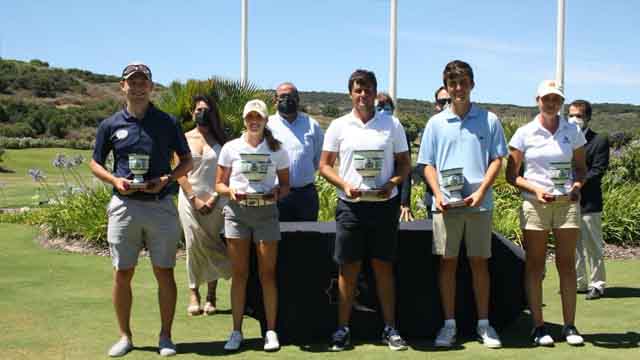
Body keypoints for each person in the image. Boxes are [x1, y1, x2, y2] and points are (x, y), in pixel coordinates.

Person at [90, 62, 193, 357]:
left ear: (151, 86)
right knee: (122, 272)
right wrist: (114, 180)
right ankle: (125, 336)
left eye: (142, 82)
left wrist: (168, 179)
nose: (137, 87)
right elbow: (95, 162)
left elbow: (187, 160)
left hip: (160, 206)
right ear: (123, 86)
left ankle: (166, 336)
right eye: (131, 82)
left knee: (164, 271)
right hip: (124, 206)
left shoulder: (167, 122)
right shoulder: (110, 124)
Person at [417, 60, 507, 349]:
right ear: (446, 87)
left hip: (479, 205)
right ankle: (449, 325)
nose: (458, 88)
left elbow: (497, 159)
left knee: (479, 263)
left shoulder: (489, 119)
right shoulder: (435, 123)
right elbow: (427, 164)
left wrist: (482, 190)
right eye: (453, 83)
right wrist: (438, 194)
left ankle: (484, 324)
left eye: (463, 82)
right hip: (446, 206)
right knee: (447, 264)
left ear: (472, 84)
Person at [319, 69, 411, 351]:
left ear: (374, 92)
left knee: (384, 268)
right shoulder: (338, 126)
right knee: (348, 270)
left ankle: (390, 328)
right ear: (351, 93)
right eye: (358, 90)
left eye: (367, 89)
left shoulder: (391, 124)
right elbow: (324, 165)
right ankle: (343, 330)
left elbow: (405, 164)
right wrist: (344, 185)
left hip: (384, 206)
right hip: (351, 207)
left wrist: (393, 183)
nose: (363, 95)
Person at [506, 80, 587, 346]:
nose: (552, 103)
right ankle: (539, 326)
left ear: (561, 102)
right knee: (535, 265)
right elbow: (512, 175)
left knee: (566, 264)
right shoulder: (524, 133)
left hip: (567, 205)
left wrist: (576, 186)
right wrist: (536, 190)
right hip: (535, 205)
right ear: (537, 100)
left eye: (557, 99)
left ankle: (570, 326)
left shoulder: (572, 131)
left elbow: (580, 169)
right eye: (547, 98)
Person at [215, 99, 290, 352]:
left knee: (267, 274)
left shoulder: (277, 149)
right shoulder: (230, 148)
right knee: (239, 274)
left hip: (266, 213)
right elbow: (219, 185)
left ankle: (270, 331)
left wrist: (275, 194)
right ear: (244, 120)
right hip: (236, 213)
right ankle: (236, 331)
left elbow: (286, 185)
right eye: (250, 117)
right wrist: (231, 191)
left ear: (265, 120)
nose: (254, 121)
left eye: (258, 117)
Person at [176, 95, 231, 316]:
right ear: (192, 113)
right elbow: (178, 171)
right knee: (193, 244)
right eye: (198, 109)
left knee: (211, 241)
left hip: (216, 199)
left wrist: (213, 199)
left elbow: (227, 173)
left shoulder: (223, 141)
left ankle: (211, 296)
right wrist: (194, 198)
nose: (202, 113)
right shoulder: (183, 137)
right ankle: (193, 293)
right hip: (189, 199)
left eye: (206, 110)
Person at [568, 100, 609, 300]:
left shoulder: (599, 140)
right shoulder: (564, 139)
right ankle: (580, 282)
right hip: (567, 202)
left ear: (588, 118)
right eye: (571, 115)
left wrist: (576, 184)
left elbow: (597, 170)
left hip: (589, 203)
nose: (574, 119)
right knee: (573, 246)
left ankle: (597, 284)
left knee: (593, 245)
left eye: (579, 115)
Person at [268, 82, 324, 221]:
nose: (287, 100)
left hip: (305, 196)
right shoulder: (267, 125)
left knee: (306, 239)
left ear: (298, 100)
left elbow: (318, 159)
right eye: (282, 96)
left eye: (291, 96)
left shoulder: (312, 125)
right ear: (275, 100)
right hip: (276, 194)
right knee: (277, 240)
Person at [375, 92, 413, 222]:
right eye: (379, 109)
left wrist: (405, 202)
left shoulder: (399, 132)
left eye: (387, 109)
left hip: (393, 195)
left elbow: (406, 170)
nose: (383, 112)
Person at [415, 86, 451, 219]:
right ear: (437, 105)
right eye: (442, 101)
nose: (447, 104)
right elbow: (421, 165)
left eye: (450, 100)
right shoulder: (429, 129)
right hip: (436, 198)